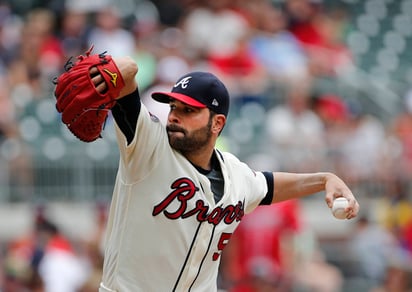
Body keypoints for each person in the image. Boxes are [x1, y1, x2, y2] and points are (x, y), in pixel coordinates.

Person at [86, 56, 360, 291]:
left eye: (188, 110)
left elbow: (270, 186)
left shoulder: (236, 174)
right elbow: (126, 74)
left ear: (217, 123)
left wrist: (325, 179)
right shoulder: (148, 149)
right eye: (172, 108)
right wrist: (122, 66)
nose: (173, 116)